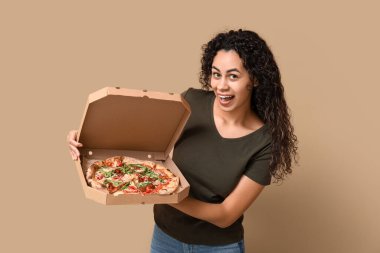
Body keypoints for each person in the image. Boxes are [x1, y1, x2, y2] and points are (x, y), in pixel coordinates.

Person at [67, 29, 298, 253]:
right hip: (165, 238)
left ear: (255, 79)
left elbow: (226, 215)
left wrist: (159, 193)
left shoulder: (265, 142)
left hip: (220, 248)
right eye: (216, 74)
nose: (221, 85)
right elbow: (143, 142)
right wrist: (89, 137)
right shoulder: (190, 103)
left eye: (233, 76)